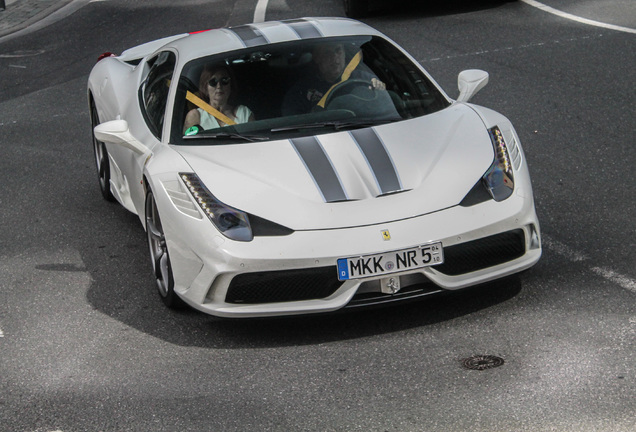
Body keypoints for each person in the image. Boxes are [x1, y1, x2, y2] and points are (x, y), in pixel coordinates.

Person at [282, 42, 385, 116]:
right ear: (317, 58)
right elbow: (291, 119)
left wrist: (380, 89)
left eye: (338, 50)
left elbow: (383, 103)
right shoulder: (301, 90)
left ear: (344, 53)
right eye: (327, 53)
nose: (335, 57)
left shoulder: (364, 78)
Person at [183, 65, 254, 133]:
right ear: (205, 88)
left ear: (230, 86)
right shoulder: (195, 116)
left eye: (224, 80)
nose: (219, 86)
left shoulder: (244, 113)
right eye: (213, 82)